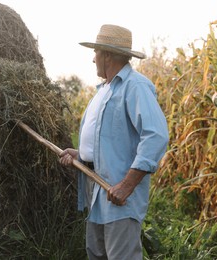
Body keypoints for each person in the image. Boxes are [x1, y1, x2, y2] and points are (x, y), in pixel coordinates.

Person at [59, 24, 169, 259]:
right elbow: (109, 141)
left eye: (96, 53)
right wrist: (82, 155)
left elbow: (156, 135)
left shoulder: (135, 86)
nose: (93, 60)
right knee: (96, 254)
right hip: (96, 194)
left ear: (107, 55)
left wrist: (127, 185)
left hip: (119, 198)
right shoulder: (104, 90)